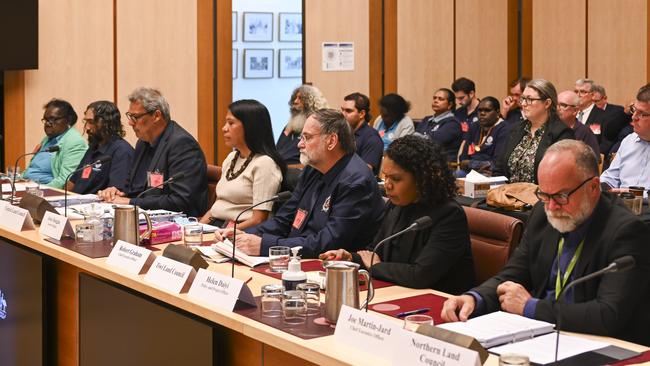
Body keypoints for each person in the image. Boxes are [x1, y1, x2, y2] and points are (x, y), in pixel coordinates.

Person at [441, 140, 650, 345]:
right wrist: (474, 298)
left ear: (593, 187)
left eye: (560, 195)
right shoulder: (542, 214)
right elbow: (512, 275)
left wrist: (530, 307)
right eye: (544, 194)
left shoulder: (626, 232)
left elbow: (608, 315)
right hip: (543, 337)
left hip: (601, 345)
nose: (551, 206)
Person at [319, 135, 474, 293]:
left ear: (422, 178)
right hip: (397, 291)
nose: (387, 185)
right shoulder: (396, 204)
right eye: (385, 177)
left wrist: (375, 266)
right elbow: (374, 252)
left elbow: (420, 275)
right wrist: (350, 258)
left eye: (396, 179)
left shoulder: (449, 214)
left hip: (440, 304)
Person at [226, 109, 385, 259]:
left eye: (307, 138)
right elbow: (284, 220)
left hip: (330, 268)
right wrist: (241, 234)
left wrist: (264, 246)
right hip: (299, 258)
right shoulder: (313, 169)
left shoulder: (355, 182)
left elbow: (327, 243)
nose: (299, 145)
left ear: (331, 141)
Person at [97, 87, 208, 217]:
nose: (130, 122)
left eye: (135, 117)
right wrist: (117, 192)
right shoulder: (143, 143)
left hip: (177, 223)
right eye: (129, 116)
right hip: (144, 217)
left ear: (156, 116)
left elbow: (180, 200)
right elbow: (132, 188)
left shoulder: (182, 145)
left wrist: (130, 202)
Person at [199, 100, 285, 229]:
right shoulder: (232, 157)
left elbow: (259, 219)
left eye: (231, 123)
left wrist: (224, 233)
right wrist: (197, 229)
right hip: (216, 225)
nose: (224, 128)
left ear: (250, 126)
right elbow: (216, 208)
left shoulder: (265, 164)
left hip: (241, 231)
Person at [494, 79, 574, 183]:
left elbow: (561, 176)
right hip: (508, 195)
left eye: (529, 99)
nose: (523, 104)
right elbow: (499, 167)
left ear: (547, 103)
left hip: (541, 196)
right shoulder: (515, 129)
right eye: (523, 99)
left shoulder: (562, 133)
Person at [68, 101, 134, 194]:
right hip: (74, 202)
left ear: (107, 122)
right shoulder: (94, 146)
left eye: (91, 122)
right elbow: (72, 182)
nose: (87, 127)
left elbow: (115, 193)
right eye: (86, 121)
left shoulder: (122, 151)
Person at [23, 99, 88, 188]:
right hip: (27, 186)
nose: (48, 124)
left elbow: (65, 180)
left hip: (45, 191)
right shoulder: (48, 139)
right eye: (46, 120)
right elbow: (33, 169)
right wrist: (16, 179)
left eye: (53, 119)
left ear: (68, 120)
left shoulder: (75, 142)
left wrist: (37, 192)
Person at [600, 83, 650, 191]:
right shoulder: (629, 141)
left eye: (642, 113)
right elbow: (609, 178)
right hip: (621, 205)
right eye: (634, 110)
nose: (633, 117)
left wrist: (632, 194)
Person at [276, 84, 328, 168]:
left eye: (300, 98)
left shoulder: (318, 126)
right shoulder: (292, 125)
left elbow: (312, 164)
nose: (295, 102)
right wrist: (287, 131)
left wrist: (284, 167)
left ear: (310, 103)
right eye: (295, 98)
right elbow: (277, 152)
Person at [457, 97, 509, 177]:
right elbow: (463, 158)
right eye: (480, 110)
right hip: (470, 172)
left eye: (487, 110)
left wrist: (470, 163)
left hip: (491, 174)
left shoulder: (504, 129)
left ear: (498, 112)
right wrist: (475, 165)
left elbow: (497, 163)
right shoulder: (474, 126)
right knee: (455, 176)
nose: (482, 113)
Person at [341, 92, 383, 175]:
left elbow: (364, 172)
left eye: (348, 111)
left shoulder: (371, 138)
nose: (342, 114)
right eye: (342, 110)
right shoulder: (342, 133)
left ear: (362, 114)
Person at [416, 88, 463, 162]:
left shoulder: (453, 123)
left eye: (440, 99)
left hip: (443, 165)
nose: (435, 101)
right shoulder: (426, 119)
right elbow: (414, 140)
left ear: (450, 105)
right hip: (424, 162)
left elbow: (433, 142)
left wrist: (420, 138)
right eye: (434, 98)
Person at [556, 91, 600, 157]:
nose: (557, 109)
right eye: (556, 104)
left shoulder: (585, 132)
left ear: (575, 111)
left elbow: (593, 160)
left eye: (563, 105)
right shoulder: (550, 128)